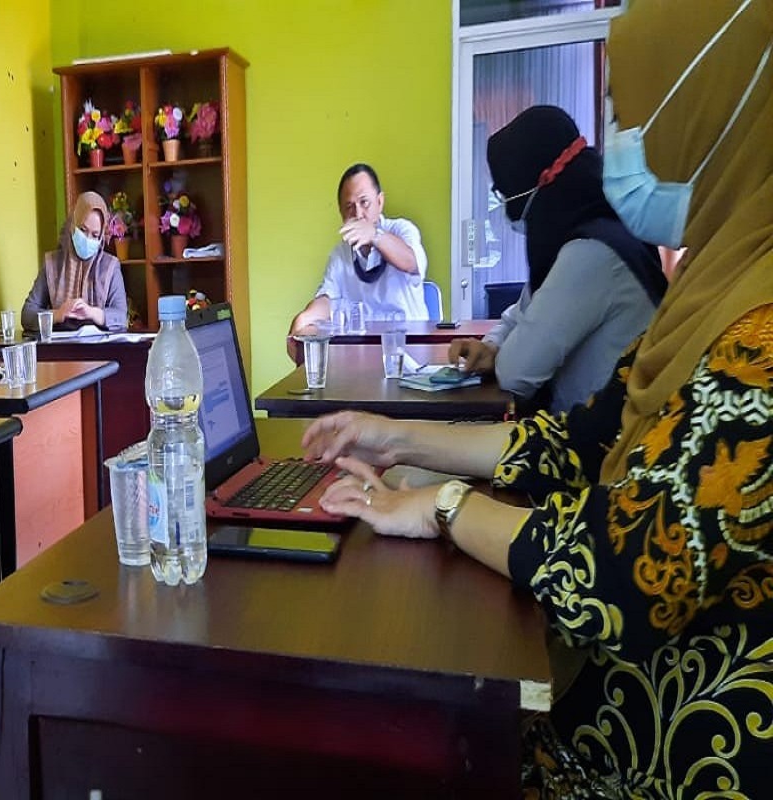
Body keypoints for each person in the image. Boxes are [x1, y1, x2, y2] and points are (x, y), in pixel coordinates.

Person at [303, 0, 773, 795]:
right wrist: (395, 436)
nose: (620, 142)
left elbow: (625, 575)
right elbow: (580, 438)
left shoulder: (759, 329)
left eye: (633, 112)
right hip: (613, 696)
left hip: (681, 753)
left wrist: (442, 507)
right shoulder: (712, 289)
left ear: (713, 109)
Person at [447, 105, 666, 415]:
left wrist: (499, 357)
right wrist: (491, 345)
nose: (506, 204)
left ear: (533, 185)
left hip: (607, 437)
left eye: (505, 191)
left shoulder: (590, 253)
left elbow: (516, 373)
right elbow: (520, 312)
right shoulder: (591, 233)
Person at [287, 163, 428, 360]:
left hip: (410, 354)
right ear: (341, 214)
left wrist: (375, 235)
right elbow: (327, 299)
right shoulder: (340, 255)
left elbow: (412, 262)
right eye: (349, 207)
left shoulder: (402, 230)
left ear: (380, 202)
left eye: (364, 203)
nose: (358, 214)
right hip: (362, 358)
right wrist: (305, 317)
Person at [22, 191, 128, 331]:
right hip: (61, 344)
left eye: (95, 235)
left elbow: (121, 316)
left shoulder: (110, 267)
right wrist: (58, 314)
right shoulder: (52, 264)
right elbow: (27, 314)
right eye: (83, 230)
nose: (88, 238)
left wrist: (92, 313)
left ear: (101, 236)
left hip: (98, 345)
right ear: (73, 226)